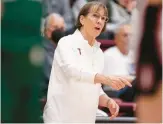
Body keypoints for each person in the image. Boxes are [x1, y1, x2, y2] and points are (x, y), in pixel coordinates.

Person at [43, 2, 132, 123]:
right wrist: (105, 79)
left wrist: (107, 101)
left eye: (103, 18)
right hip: (60, 118)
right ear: (82, 19)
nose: (100, 21)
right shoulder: (66, 42)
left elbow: (95, 89)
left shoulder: (99, 53)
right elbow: (71, 72)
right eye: (95, 16)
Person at [42, 13, 65, 96]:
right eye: (55, 27)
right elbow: (53, 77)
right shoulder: (41, 49)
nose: (59, 31)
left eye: (61, 28)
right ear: (46, 30)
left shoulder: (63, 49)